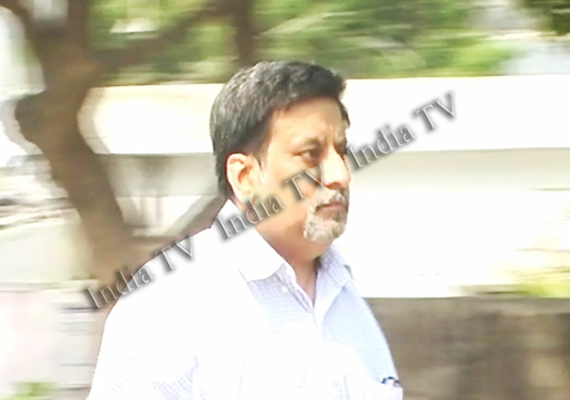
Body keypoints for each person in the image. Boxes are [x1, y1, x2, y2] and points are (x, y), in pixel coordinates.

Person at [87, 60, 401, 400]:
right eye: (311, 155)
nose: (340, 175)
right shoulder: (168, 305)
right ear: (245, 176)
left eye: (341, 152)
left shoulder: (344, 296)